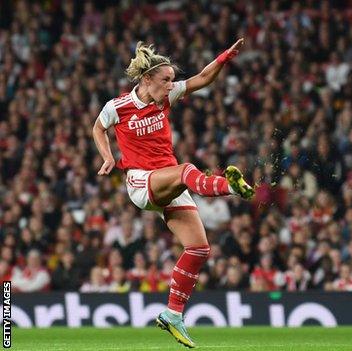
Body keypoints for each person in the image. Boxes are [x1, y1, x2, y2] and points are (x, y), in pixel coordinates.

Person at [92, 39, 254, 348]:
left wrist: (223, 57)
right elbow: (97, 128)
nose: (171, 86)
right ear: (147, 79)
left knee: (199, 248)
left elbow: (202, 78)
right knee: (186, 168)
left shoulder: (167, 97)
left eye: (171, 80)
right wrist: (108, 156)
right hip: (140, 181)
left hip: (168, 180)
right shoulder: (118, 106)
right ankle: (229, 187)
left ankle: (173, 315)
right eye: (165, 80)